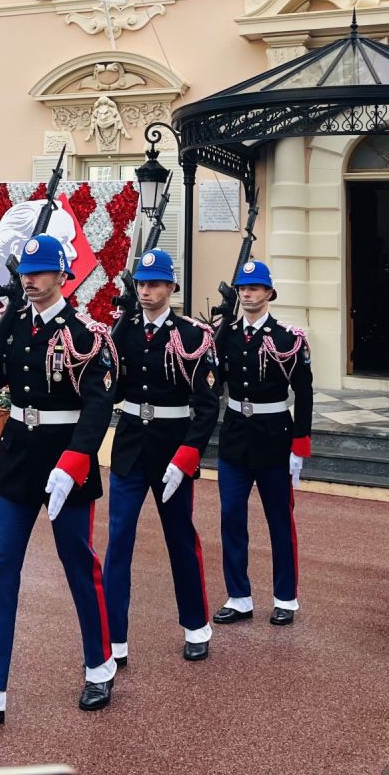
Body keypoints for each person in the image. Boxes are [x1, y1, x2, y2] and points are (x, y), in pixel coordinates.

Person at [0, 234, 117, 734]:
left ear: (63, 276)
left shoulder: (86, 334)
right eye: (25, 273)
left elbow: (98, 405)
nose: (30, 280)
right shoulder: (16, 322)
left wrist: (75, 460)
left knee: (78, 563)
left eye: (39, 273)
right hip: (18, 452)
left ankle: (100, 665)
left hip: (64, 457)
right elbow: (0, 384)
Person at [102, 248, 220, 664]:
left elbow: (207, 406)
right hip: (130, 446)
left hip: (172, 449)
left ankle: (196, 626)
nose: (146, 291)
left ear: (171, 287)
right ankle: (113, 640)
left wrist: (188, 455)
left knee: (180, 539)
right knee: (118, 541)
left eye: (154, 284)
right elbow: (109, 389)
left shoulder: (192, 335)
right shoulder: (123, 331)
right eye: (141, 284)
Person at [209, 259, 313, 629]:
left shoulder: (287, 338)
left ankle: (285, 598)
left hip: (274, 438)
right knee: (231, 519)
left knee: (279, 521)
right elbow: (213, 380)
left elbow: (304, 392)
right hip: (236, 437)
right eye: (243, 288)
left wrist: (300, 445)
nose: (247, 294)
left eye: (254, 288)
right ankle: (238, 597)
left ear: (269, 292)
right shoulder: (227, 334)